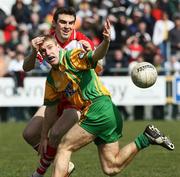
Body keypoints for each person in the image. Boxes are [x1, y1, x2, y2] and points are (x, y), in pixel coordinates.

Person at [37, 20, 175, 177]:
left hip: (98, 107)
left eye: (49, 48)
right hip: (107, 112)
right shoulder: (52, 78)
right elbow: (51, 108)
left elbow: (96, 55)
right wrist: (43, 136)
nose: (48, 53)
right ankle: (146, 137)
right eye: (43, 51)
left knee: (64, 147)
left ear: (57, 46)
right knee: (111, 167)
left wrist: (106, 41)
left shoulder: (72, 56)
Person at [22, 7, 99, 177]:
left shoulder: (82, 41)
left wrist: (90, 53)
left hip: (76, 100)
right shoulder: (46, 41)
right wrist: (33, 51)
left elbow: (98, 69)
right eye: (63, 22)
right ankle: (64, 164)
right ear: (54, 23)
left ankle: (42, 172)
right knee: (29, 134)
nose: (67, 26)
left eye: (71, 23)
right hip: (57, 95)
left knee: (55, 134)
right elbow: (26, 67)